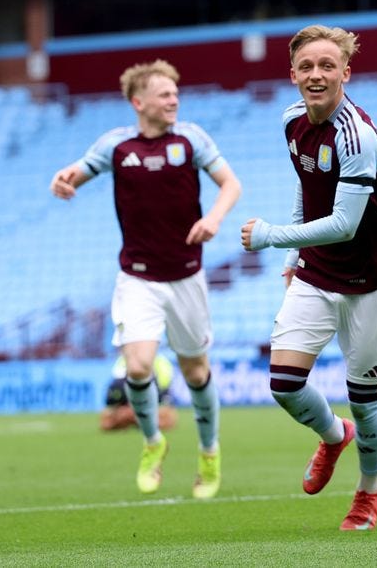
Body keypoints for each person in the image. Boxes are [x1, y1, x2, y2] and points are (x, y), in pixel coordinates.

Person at [50, 59, 241, 497]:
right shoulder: (116, 146)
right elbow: (75, 173)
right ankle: (153, 442)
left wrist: (213, 218)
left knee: (195, 372)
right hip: (136, 277)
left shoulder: (191, 139)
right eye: (163, 94)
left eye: (175, 93)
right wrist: (63, 181)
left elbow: (230, 184)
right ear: (139, 102)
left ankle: (209, 453)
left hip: (187, 276)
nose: (173, 99)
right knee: (137, 366)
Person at [241, 25, 377, 533]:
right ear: (293, 75)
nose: (316, 75)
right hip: (315, 273)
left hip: (370, 282)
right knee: (285, 384)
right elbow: (306, 184)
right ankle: (335, 436)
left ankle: (368, 493)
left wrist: (273, 236)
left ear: (345, 74)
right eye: (307, 66)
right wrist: (293, 254)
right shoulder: (292, 121)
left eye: (327, 66)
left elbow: (344, 224)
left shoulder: (357, 136)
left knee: (367, 402)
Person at [101, 354, 178, 432]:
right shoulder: (119, 382)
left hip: (153, 410)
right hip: (126, 408)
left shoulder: (160, 371)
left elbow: (167, 411)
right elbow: (107, 416)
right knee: (113, 419)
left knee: (164, 418)